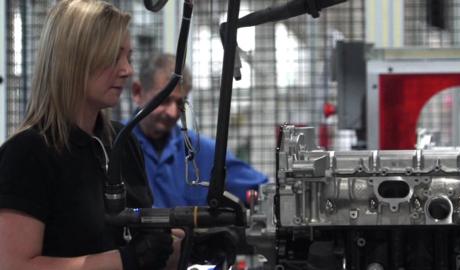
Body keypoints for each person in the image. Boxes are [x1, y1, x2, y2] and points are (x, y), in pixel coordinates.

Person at [0, 1, 174, 269]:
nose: (127, 70)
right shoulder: (28, 153)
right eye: (113, 57)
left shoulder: (122, 141)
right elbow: (14, 264)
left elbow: (144, 243)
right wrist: (126, 259)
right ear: (74, 60)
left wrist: (189, 247)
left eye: (129, 57)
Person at [131, 53, 268, 208]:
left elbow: (262, 190)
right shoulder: (114, 146)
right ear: (137, 92)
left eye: (180, 103)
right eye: (164, 100)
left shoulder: (203, 151)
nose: (173, 112)